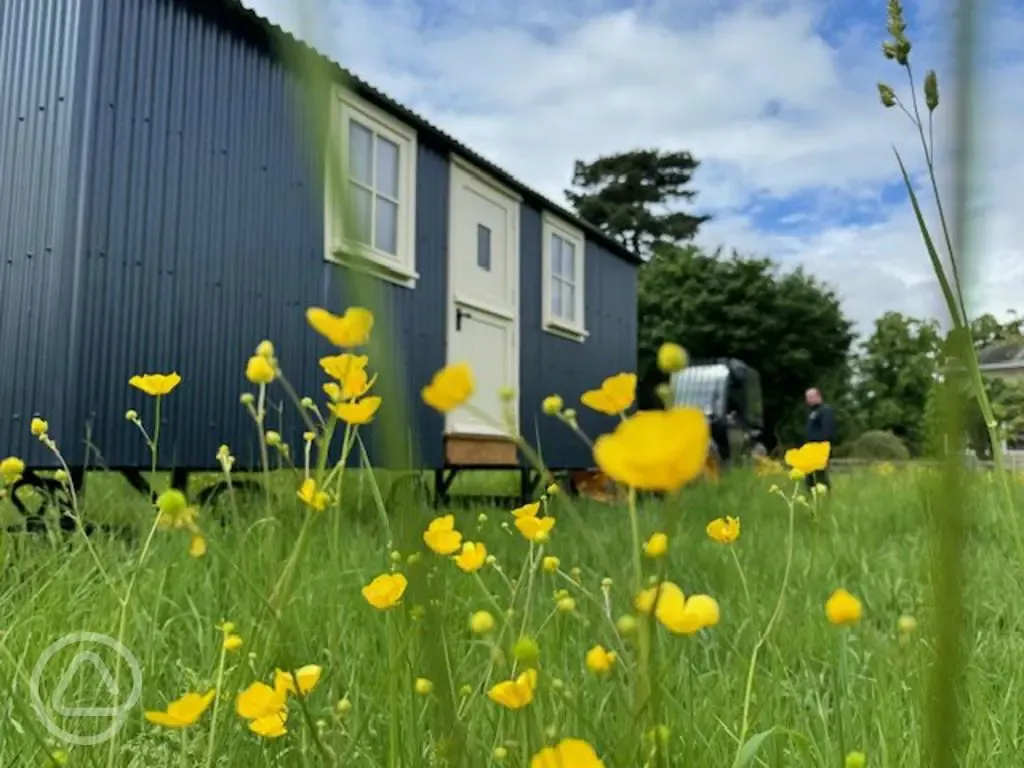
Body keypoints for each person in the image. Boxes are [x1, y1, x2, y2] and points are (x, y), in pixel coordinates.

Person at [804, 387, 837, 490]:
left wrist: (817, 443)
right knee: (809, 476)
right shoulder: (812, 413)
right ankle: (812, 498)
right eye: (807, 397)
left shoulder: (825, 411)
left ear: (818, 396)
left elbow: (827, 432)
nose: (808, 399)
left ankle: (825, 497)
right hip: (811, 449)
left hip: (821, 448)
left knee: (820, 476)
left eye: (811, 396)